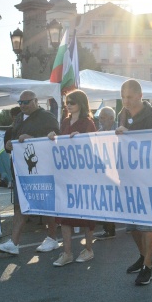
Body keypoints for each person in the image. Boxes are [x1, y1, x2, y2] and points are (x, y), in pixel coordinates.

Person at [0, 90, 60, 256]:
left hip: (42, 167)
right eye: (20, 103)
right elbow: (14, 138)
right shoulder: (18, 119)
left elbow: (55, 136)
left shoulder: (47, 116)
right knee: (20, 204)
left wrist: (33, 137)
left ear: (36, 101)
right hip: (22, 168)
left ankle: (52, 237)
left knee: (46, 203)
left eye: (26, 102)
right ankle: (14, 243)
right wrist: (9, 143)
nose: (23, 106)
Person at [116, 79, 152, 286]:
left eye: (129, 97)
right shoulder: (122, 115)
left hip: (147, 177)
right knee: (132, 226)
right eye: (123, 97)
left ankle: (149, 264)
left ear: (140, 95)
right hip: (127, 177)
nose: (125, 101)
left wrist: (131, 136)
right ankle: (142, 256)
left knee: (147, 223)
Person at [47, 90, 98, 266]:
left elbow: (94, 146)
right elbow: (60, 146)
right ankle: (67, 252)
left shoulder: (88, 123)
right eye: (67, 101)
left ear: (81, 104)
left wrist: (83, 139)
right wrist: (53, 138)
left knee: (86, 216)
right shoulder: (65, 122)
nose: (68, 104)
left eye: (72, 102)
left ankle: (88, 249)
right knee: (65, 215)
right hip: (66, 175)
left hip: (83, 176)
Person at [94, 106, 118, 240]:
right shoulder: (99, 132)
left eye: (103, 117)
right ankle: (109, 229)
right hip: (105, 172)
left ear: (111, 119)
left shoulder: (119, 131)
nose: (100, 120)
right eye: (100, 117)